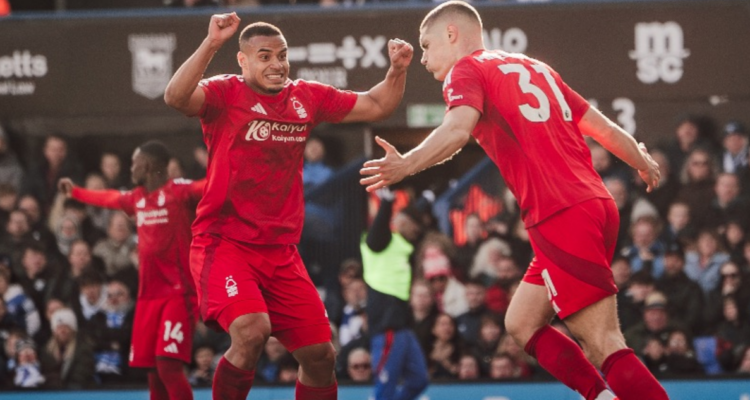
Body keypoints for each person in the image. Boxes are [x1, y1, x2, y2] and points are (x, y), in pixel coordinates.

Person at [359, 2, 667, 399]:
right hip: (594, 204)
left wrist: (407, 165)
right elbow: (601, 126)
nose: (423, 58)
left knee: (604, 343)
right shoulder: (536, 67)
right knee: (522, 323)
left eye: (426, 45)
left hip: (558, 212)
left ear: (452, 34)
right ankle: (601, 396)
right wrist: (640, 159)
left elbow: (456, 131)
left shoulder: (465, 70)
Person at [163, 11, 413, 400]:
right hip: (224, 243)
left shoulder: (306, 97)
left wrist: (396, 70)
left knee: (320, 356)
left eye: (282, 55)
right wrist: (212, 41)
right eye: (265, 56)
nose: (277, 64)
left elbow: (377, 105)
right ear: (242, 60)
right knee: (251, 330)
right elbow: (176, 97)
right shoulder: (224, 92)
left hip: (281, 253)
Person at [58, 140, 205, 400]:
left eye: (134, 162)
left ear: (147, 165)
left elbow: (209, 186)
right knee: (151, 369)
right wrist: (77, 192)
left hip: (178, 293)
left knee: (168, 366)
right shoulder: (137, 198)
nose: (131, 168)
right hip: (148, 296)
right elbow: (110, 197)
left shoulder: (179, 192)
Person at [361, 188, 429, 400]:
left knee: (419, 380)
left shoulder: (403, 244)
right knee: (386, 384)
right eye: (414, 227)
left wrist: (427, 199)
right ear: (400, 222)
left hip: (403, 325)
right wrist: (387, 203)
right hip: (386, 323)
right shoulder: (380, 241)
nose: (417, 232)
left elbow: (412, 215)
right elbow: (379, 230)